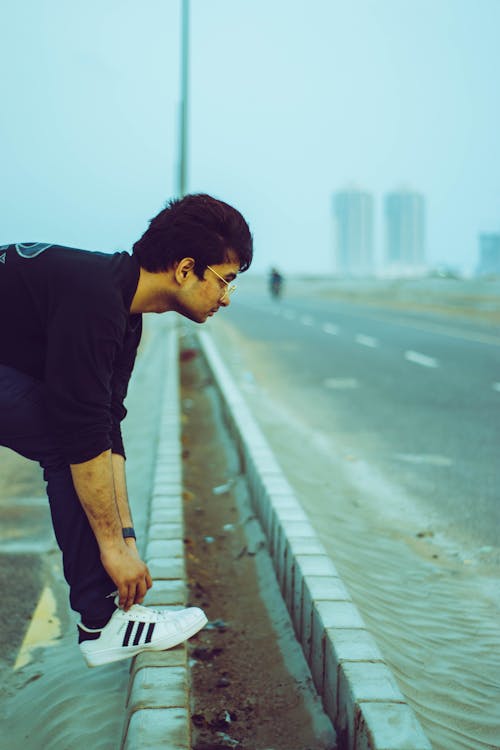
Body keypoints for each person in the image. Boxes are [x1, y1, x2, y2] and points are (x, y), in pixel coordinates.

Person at [0, 193, 253, 667]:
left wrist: (126, 539)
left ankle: (106, 620)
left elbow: (106, 427)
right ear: (184, 269)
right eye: (225, 281)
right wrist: (111, 549)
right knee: (64, 441)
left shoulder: (121, 309)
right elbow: (81, 434)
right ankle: (101, 625)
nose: (225, 298)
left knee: (79, 434)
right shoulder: (94, 301)